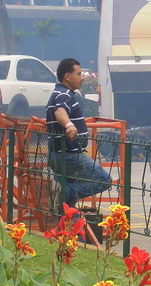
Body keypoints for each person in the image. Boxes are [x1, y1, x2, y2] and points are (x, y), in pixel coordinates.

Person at [46, 58, 112, 211]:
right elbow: (60, 111)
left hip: (59, 153)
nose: (82, 77)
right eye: (79, 74)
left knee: (67, 209)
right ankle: (63, 192)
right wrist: (69, 125)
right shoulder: (64, 94)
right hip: (69, 155)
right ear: (67, 77)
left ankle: (67, 227)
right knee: (103, 180)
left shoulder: (59, 93)